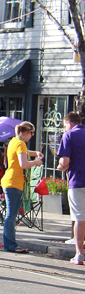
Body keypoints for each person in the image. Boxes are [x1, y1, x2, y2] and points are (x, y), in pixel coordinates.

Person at [1, 121, 42, 254]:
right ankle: (10, 244)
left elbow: (22, 153)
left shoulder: (14, 141)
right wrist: (36, 162)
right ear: (27, 133)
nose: (31, 136)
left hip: (10, 180)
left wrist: (35, 153)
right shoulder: (21, 143)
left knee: (11, 215)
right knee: (11, 215)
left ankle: (10, 243)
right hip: (15, 182)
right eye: (32, 134)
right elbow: (23, 164)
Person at [57, 112, 85, 265]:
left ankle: (79, 254)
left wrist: (61, 166)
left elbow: (65, 161)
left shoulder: (69, 135)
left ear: (69, 123)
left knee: (79, 218)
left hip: (77, 181)